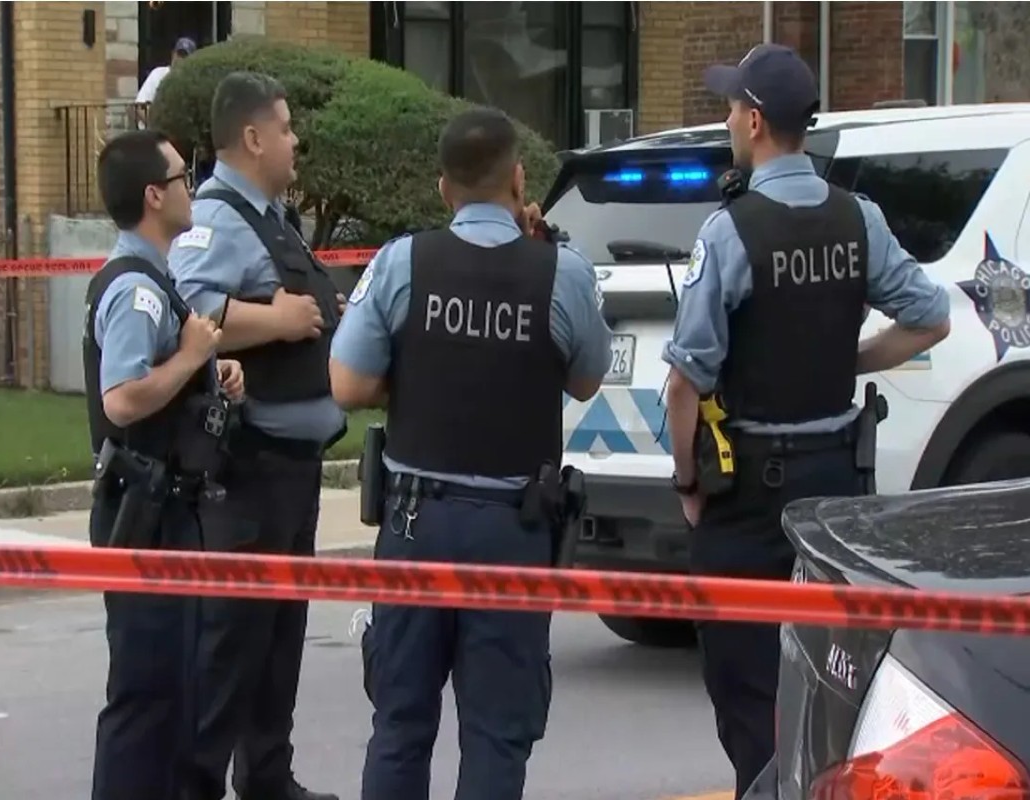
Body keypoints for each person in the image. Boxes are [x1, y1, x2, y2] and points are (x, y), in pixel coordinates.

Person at [661, 43, 952, 798]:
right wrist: (846, 363)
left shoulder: (731, 232)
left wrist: (688, 480)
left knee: (745, 685)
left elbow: (684, 384)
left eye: (731, 108)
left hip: (748, 497)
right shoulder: (860, 218)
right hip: (835, 491)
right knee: (833, 678)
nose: (726, 119)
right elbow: (930, 319)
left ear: (755, 122)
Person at [329, 106, 613, 800]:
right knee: (496, 734)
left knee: (401, 723)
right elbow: (585, 375)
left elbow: (347, 383)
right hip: (512, 531)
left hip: (416, 525)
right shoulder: (561, 273)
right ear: (518, 180)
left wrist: (419, 373)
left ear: (442, 189)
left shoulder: (403, 261)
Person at [168, 71, 343, 800]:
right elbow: (190, 305)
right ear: (252, 137)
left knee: (279, 638)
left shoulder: (271, 217)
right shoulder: (217, 218)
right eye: (286, 124)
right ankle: (200, 783)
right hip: (250, 467)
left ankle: (268, 777)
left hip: (292, 467)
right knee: (234, 639)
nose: (295, 138)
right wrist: (278, 321)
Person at [84, 129, 246, 800]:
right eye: (184, 176)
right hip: (143, 514)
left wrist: (210, 369)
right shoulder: (138, 291)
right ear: (155, 196)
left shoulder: (156, 281)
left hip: (166, 509)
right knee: (147, 696)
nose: (193, 185)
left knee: (176, 692)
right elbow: (121, 399)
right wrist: (188, 359)